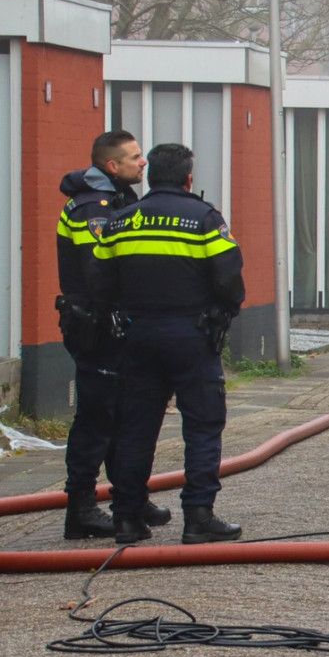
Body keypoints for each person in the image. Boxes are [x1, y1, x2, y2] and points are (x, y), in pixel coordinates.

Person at [91, 143, 245, 545]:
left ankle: (127, 518)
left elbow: (98, 284)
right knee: (203, 425)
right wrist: (222, 312)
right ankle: (198, 518)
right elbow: (229, 278)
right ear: (188, 178)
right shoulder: (205, 220)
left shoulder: (120, 222)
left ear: (150, 175)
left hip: (136, 337)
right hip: (192, 337)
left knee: (135, 428)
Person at [55, 130, 171, 539]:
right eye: (135, 157)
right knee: (96, 420)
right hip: (97, 330)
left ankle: (131, 498)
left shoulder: (121, 200)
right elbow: (99, 271)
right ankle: (81, 509)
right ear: (112, 166)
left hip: (117, 327)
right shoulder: (93, 209)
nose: (143, 163)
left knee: (126, 418)